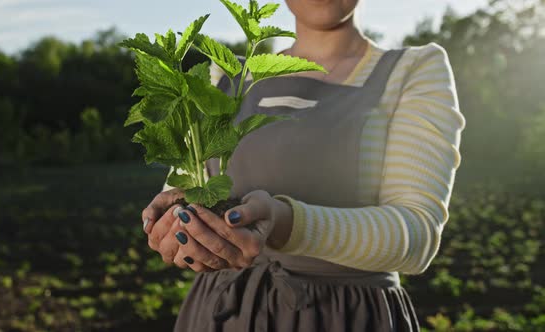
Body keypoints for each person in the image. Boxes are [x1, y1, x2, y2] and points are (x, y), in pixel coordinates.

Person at [141, 0, 466, 330]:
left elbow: (417, 237)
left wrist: (285, 222)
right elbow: (181, 188)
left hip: (344, 316)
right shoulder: (227, 75)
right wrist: (176, 229)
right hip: (222, 314)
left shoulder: (412, 70)